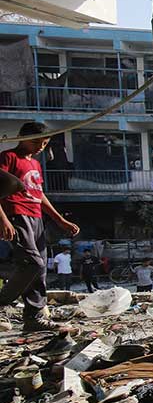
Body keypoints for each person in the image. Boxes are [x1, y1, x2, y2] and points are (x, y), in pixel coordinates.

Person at [0, 122, 81, 332]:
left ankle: (34, 317)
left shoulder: (35, 164)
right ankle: (1, 304)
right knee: (31, 263)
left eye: (44, 143)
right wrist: (3, 219)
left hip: (36, 216)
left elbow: (39, 194)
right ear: (21, 137)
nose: (40, 147)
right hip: (16, 213)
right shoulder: (8, 157)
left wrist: (58, 219)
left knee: (41, 269)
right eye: (35, 141)